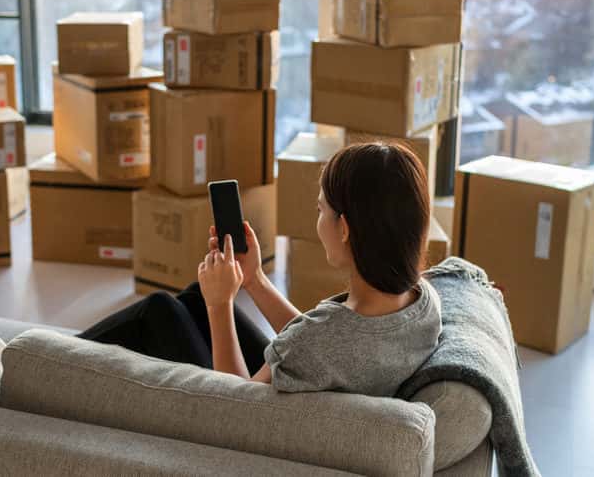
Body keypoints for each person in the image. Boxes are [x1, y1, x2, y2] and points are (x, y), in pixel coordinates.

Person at [77, 142, 442, 395]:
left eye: (321, 211)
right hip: (317, 381)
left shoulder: (317, 343)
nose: (318, 221)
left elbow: (237, 405)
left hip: (248, 409)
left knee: (160, 310)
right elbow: (327, 343)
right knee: (191, 299)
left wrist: (220, 306)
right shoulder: (422, 302)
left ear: (344, 229)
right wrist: (254, 280)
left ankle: (49, 361)